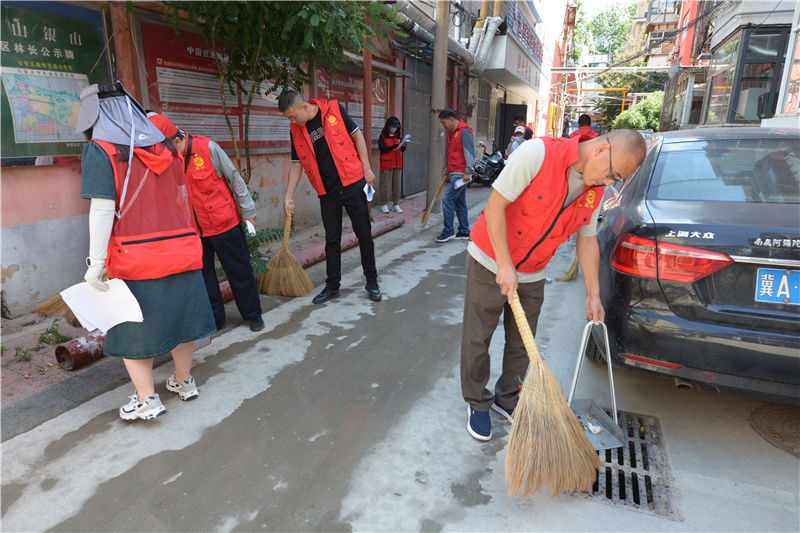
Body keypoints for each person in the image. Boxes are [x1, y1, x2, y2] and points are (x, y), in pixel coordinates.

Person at [460, 129, 647, 441]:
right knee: (478, 337)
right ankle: (477, 402)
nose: (609, 182)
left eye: (617, 179)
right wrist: (505, 265)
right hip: (491, 259)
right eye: (612, 173)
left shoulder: (594, 190)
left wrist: (593, 294)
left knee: (522, 344)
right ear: (601, 149)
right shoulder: (538, 154)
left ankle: (508, 399)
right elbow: (494, 208)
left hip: (532, 272)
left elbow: (587, 242)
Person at [75, 82, 216, 421]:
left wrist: (95, 263)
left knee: (133, 328)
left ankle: (147, 398)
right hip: (182, 246)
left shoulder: (102, 149)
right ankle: (184, 381)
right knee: (183, 320)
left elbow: (102, 208)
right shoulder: (167, 145)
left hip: (135, 256)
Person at [148, 113, 264, 333]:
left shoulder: (208, 148)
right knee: (204, 277)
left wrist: (248, 211)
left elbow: (235, 179)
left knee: (239, 271)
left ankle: (253, 314)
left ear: (176, 140)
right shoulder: (168, 161)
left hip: (224, 223)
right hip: (194, 231)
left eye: (162, 148)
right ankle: (215, 319)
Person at [277, 89, 381, 304]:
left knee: (364, 235)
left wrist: (367, 168)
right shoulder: (295, 130)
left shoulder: (334, 110)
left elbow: (357, 136)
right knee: (332, 241)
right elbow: (296, 164)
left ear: (304, 107)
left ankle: (372, 281)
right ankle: (332, 286)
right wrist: (288, 196)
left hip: (352, 183)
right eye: (289, 119)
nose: (293, 121)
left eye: (293, 116)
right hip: (327, 191)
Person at [435, 109, 475, 243]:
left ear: (451, 119)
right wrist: (447, 170)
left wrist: (468, 171)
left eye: (444, 122)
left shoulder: (464, 131)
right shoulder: (453, 133)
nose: (443, 125)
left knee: (447, 200)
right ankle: (463, 231)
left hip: (460, 174)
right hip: (454, 172)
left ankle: (448, 231)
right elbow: (453, 153)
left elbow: (469, 152)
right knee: (460, 202)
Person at [378, 116, 407, 214]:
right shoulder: (382, 136)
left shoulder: (397, 137)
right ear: (388, 126)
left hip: (397, 163)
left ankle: (395, 204)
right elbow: (382, 149)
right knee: (385, 185)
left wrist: (403, 145)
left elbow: (402, 150)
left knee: (397, 185)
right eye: (392, 127)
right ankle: (384, 204)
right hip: (386, 164)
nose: (394, 129)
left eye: (396, 127)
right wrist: (392, 146)